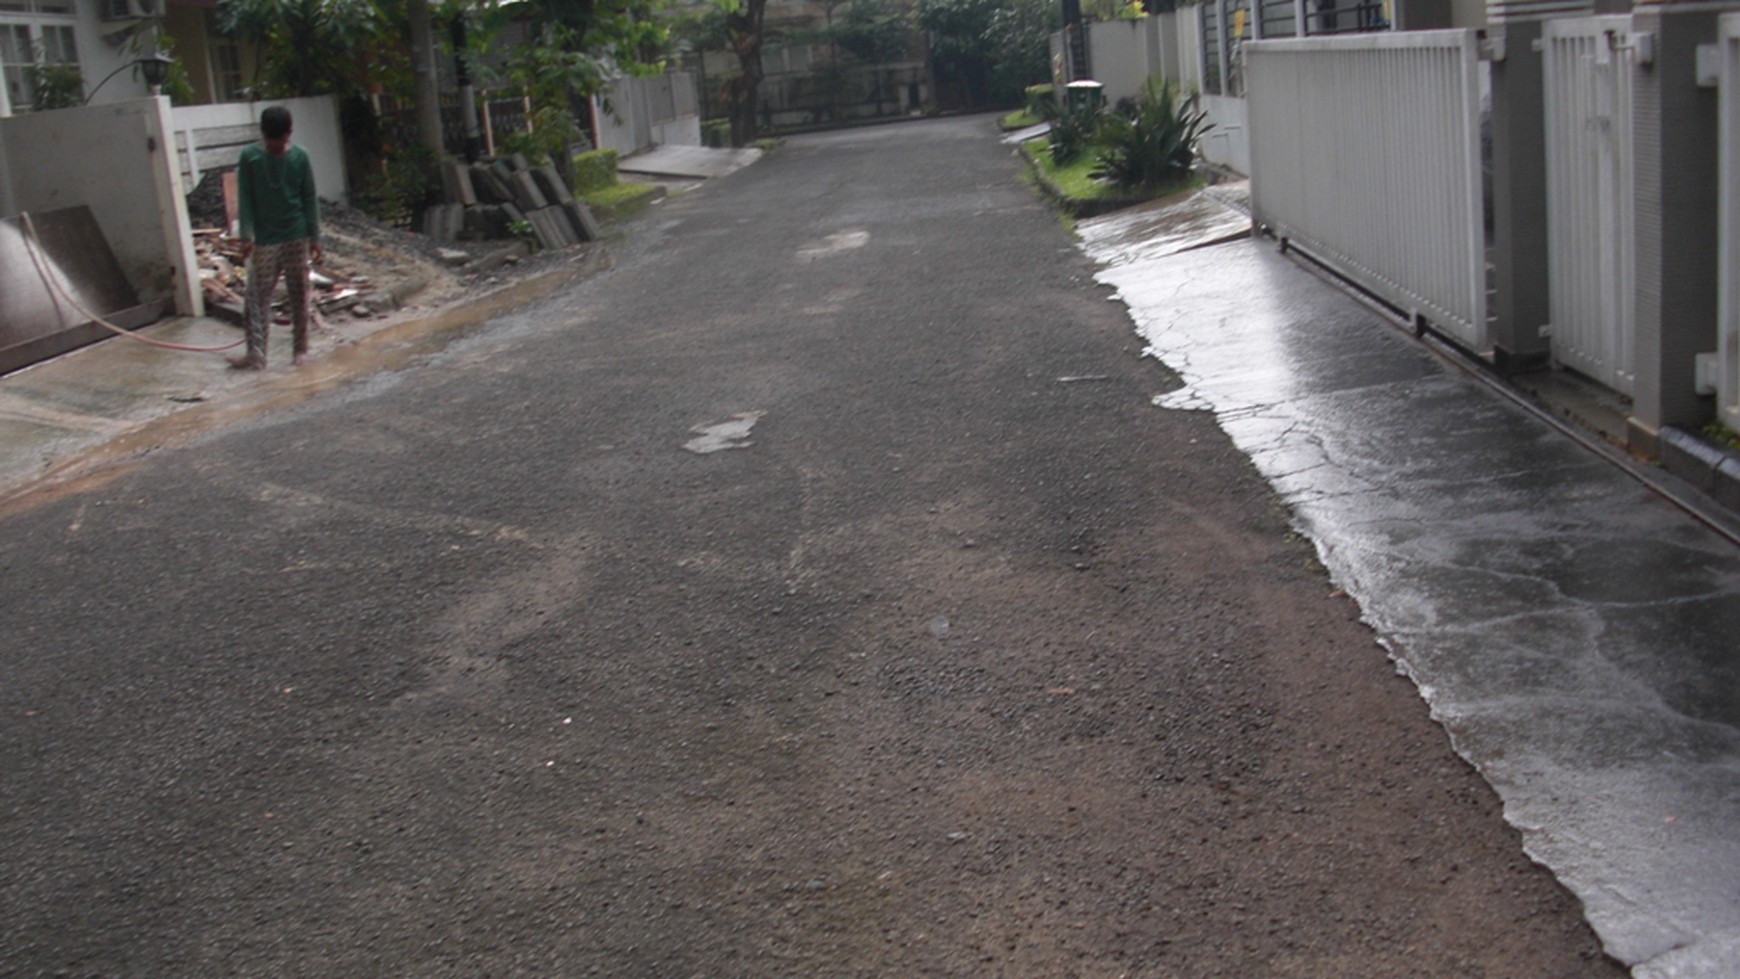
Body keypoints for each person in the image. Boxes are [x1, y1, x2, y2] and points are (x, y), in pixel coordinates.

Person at [228, 106, 322, 370]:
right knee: (256, 299)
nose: (277, 146)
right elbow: (245, 197)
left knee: (299, 294)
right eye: (272, 141)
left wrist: (315, 237)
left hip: (296, 234)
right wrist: (246, 235)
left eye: (281, 141)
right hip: (266, 238)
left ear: (289, 134)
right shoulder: (250, 158)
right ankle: (256, 354)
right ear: (263, 135)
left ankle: (301, 350)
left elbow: (309, 198)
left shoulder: (301, 158)